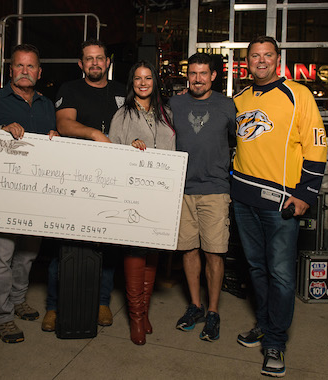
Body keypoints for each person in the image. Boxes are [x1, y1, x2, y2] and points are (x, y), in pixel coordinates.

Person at [232, 36, 327, 377]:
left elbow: (318, 147)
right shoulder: (239, 98)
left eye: (267, 55)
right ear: (247, 61)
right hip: (243, 198)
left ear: (277, 59)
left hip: (282, 202)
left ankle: (275, 341)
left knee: (282, 274)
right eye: (254, 56)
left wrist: (306, 194)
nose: (260, 60)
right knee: (256, 268)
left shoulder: (298, 94)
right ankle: (264, 322)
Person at [0, 44, 56, 344]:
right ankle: (2, 316)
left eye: (31, 67)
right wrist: (1, 129)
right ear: (10, 70)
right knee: (0, 256)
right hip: (0, 196)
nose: (25, 71)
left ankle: (17, 301)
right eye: (20, 66)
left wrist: (56, 138)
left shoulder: (46, 104)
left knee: (28, 254)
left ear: (39, 72)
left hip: (36, 196)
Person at [42, 38, 125, 332]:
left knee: (109, 243)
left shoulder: (121, 91)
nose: (94, 63)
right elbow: (64, 124)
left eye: (99, 58)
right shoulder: (70, 89)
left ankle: (102, 300)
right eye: (89, 59)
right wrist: (94, 134)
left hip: (112, 179)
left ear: (107, 61)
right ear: (81, 64)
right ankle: (53, 306)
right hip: (75, 178)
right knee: (63, 243)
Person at [169, 53, 236, 342]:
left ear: (213, 76)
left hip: (215, 190)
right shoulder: (175, 103)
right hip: (182, 190)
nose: (197, 78)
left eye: (203, 73)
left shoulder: (227, 105)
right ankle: (195, 305)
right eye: (193, 73)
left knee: (214, 253)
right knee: (188, 250)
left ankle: (213, 311)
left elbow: (237, 141)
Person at [109, 60, 175, 345]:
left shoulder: (167, 114)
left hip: (161, 196)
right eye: (138, 78)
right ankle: (135, 318)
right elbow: (111, 153)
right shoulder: (122, 115)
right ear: (131, 83)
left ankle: (144, 311)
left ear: (155, 82)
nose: (143, 83)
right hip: (133, 195)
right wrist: (129, 148)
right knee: (135, 253)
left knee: (152, 255)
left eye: (148, 78)